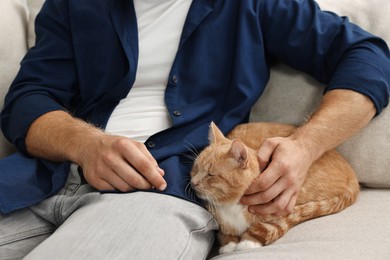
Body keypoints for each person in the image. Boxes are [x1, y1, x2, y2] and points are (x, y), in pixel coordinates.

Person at [0, 0, 389, 259]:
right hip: (35, 179)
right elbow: (27, 99)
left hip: (157, 192)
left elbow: (368, 57)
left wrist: (305, 147)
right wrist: (85, 143)